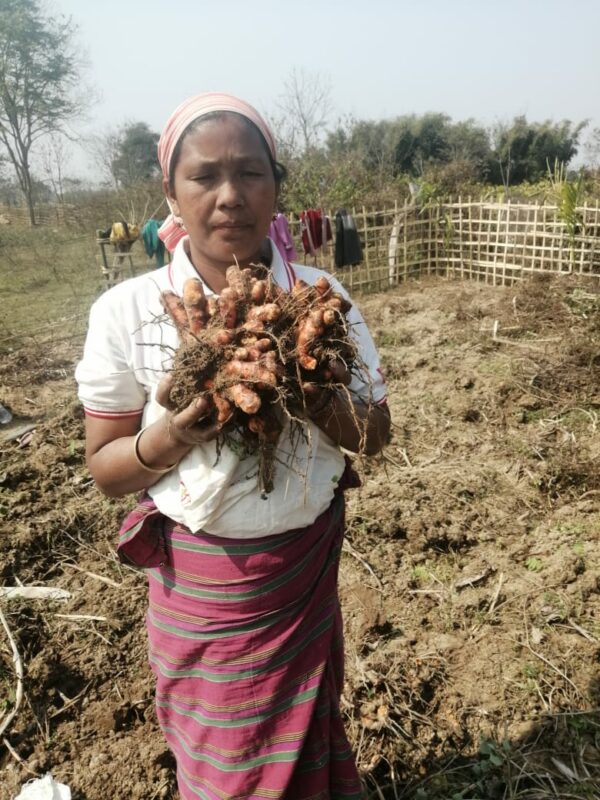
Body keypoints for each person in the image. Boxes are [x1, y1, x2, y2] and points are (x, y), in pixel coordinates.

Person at [76, 92, 390, 800]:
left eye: (250, 174)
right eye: (204, 176)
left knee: (309, 747)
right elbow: (106, 470)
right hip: (206, 589)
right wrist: (175, 433)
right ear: (170, 193)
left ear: (277, 184)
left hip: (304, 568)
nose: (229, 197)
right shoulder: (127, 314)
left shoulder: (321, 298)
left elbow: (376, 434)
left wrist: (322, 403)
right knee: (229, 766)